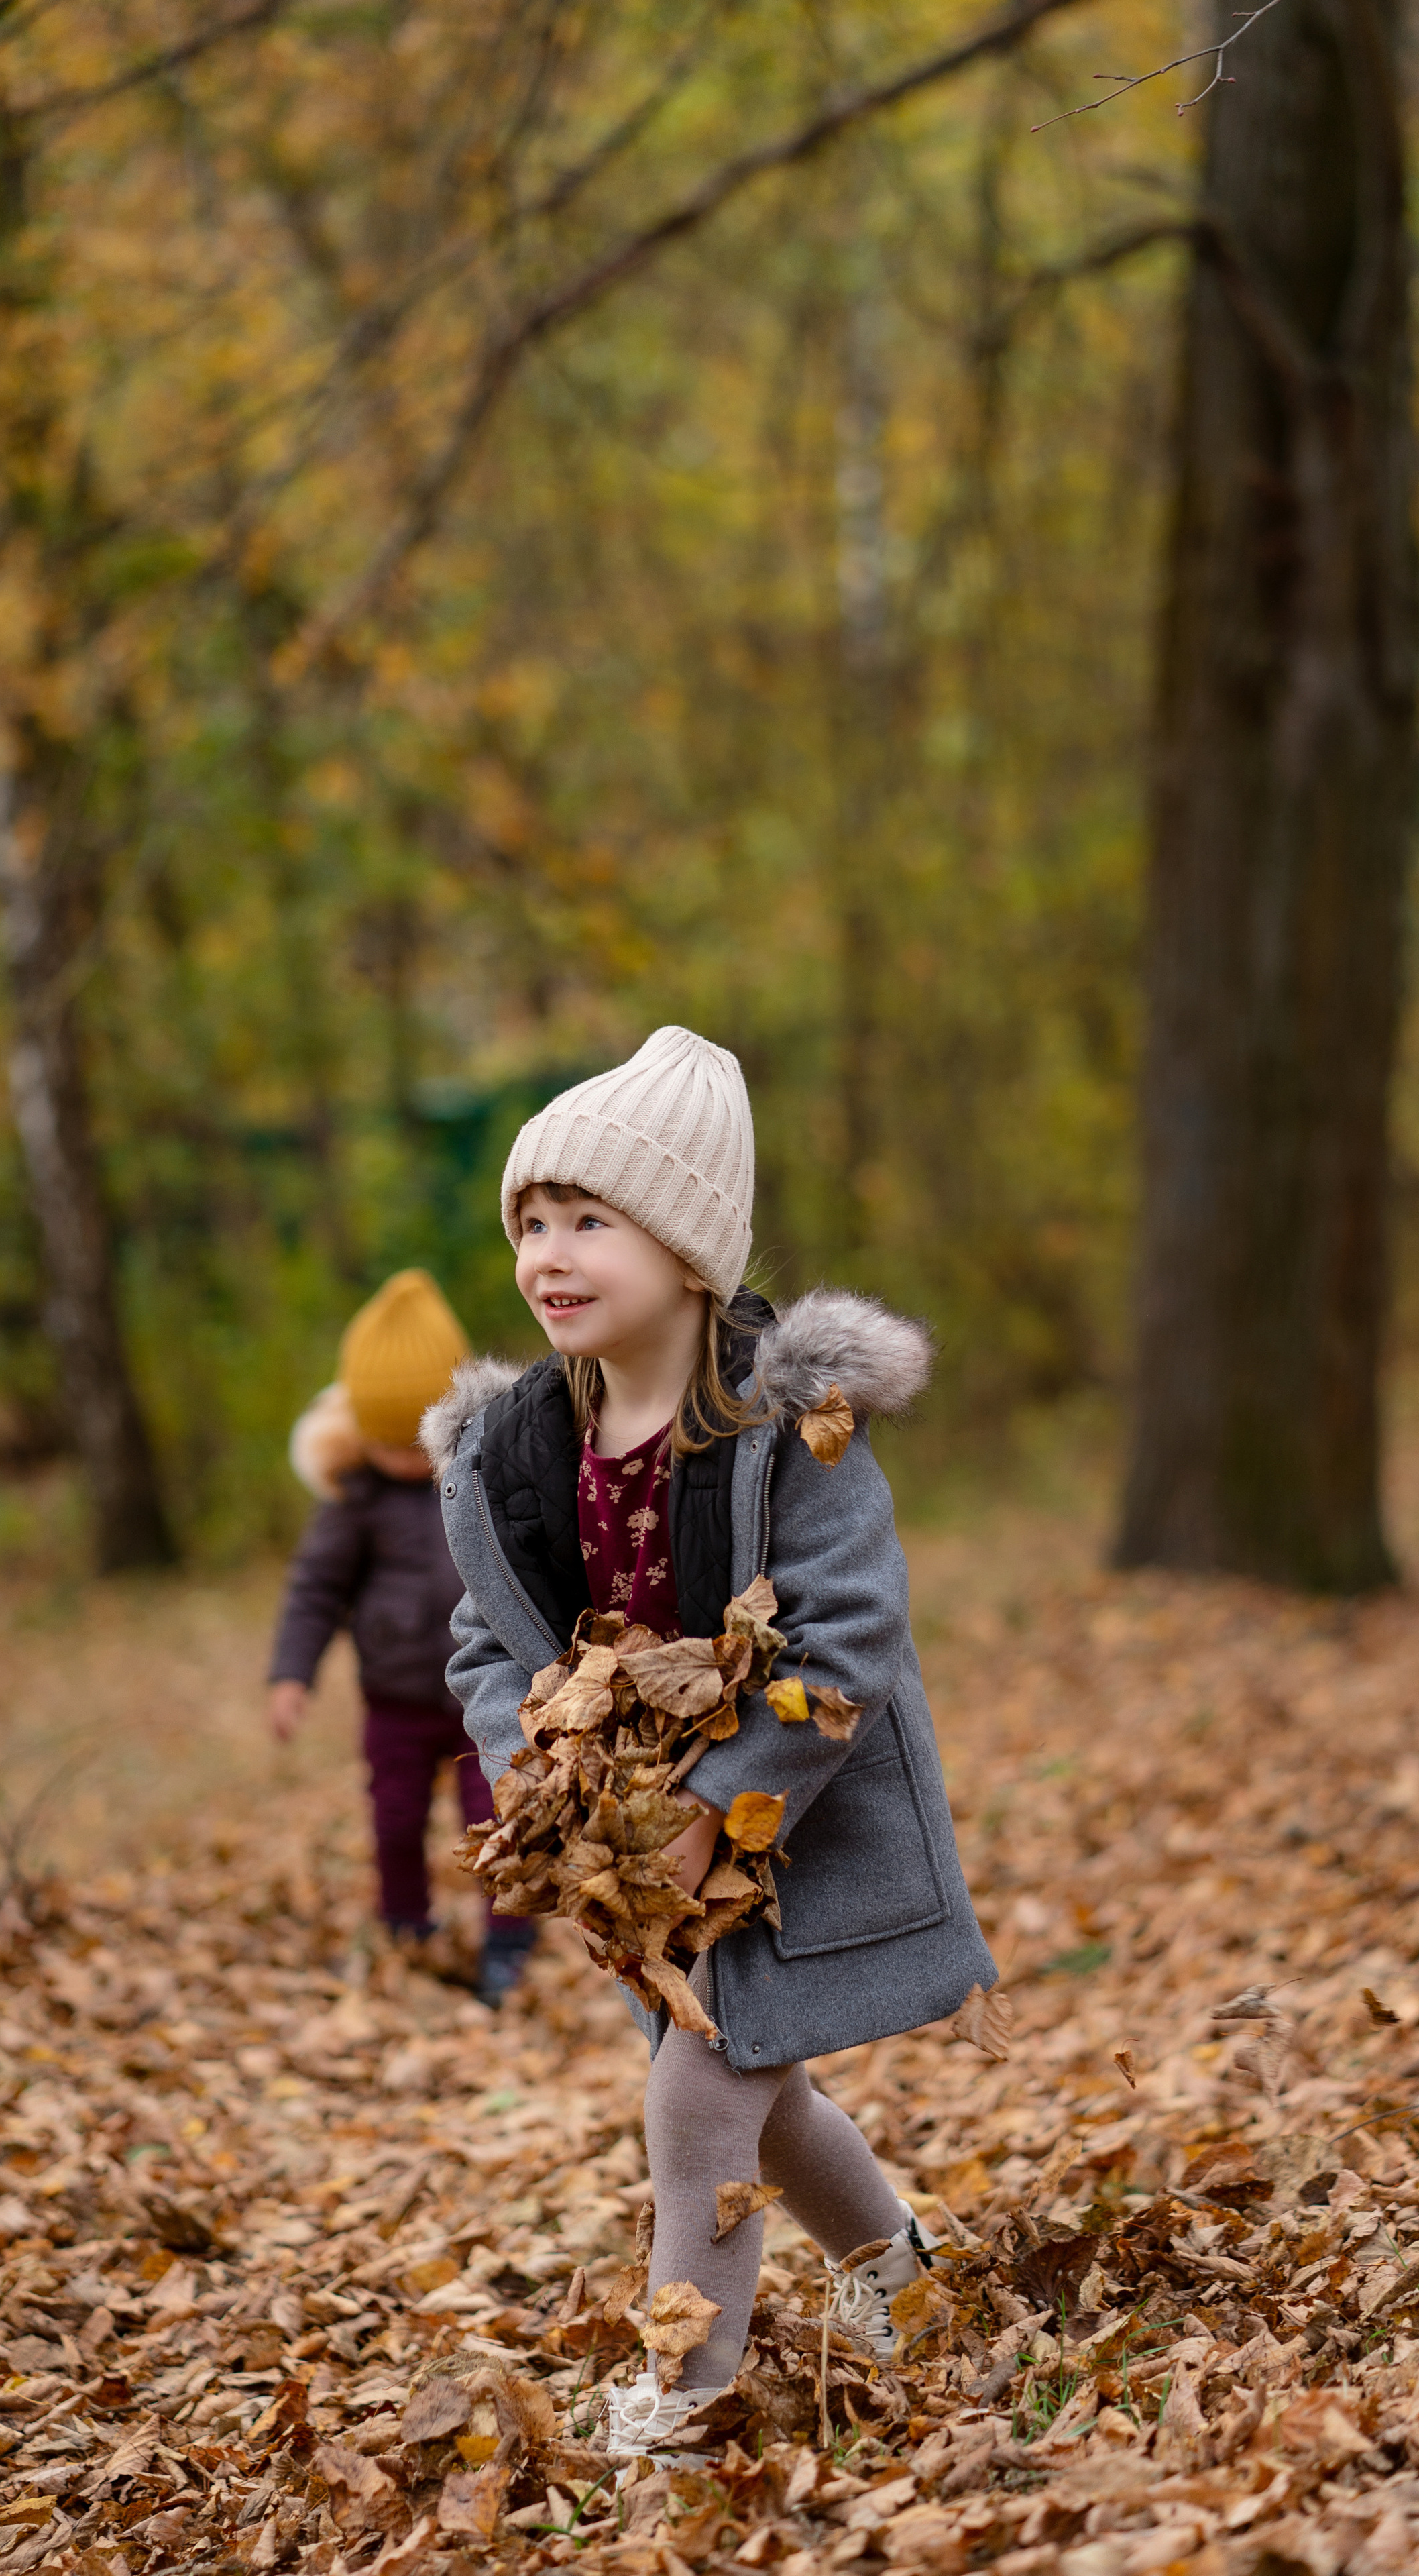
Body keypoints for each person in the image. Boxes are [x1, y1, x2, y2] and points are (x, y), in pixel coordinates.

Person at [419, 1027, 997, 2458]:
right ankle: (909, 2292)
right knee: (762, 2087)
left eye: (588, 1220)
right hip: (634, 1849)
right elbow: (488, 1646)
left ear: (687, 1254)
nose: (547, 1253)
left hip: (792, 1819)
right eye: (530, 1223)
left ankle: (689, 2406)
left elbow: (846, 1637)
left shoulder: (782, 1430)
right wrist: (540, 1773)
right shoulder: (513, 1457)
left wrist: (718, 1809)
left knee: (698, 2099)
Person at [267, 1268, 538, 2008]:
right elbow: (315, 1591)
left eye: (410, 1439)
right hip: (393, 1702)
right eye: (384, 1442)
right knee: (394, 1818)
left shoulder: (484, 1477)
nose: (401, 1458)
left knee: (495, 1816)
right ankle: (404, 1925)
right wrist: (292, 1675)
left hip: (479, 1693)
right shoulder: (352, 1502)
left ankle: (507, 1940)